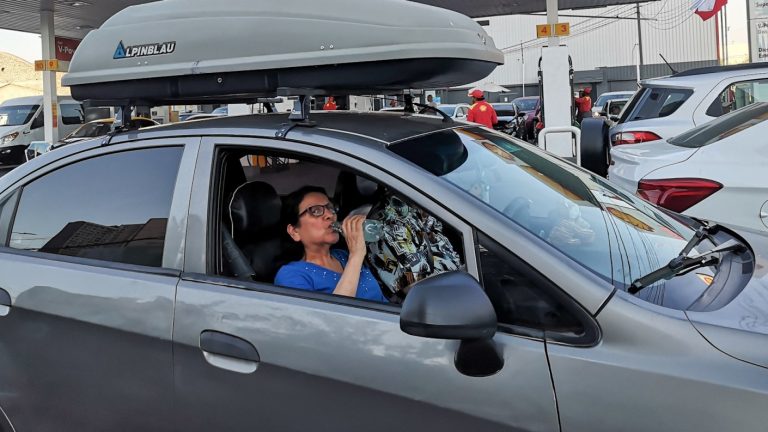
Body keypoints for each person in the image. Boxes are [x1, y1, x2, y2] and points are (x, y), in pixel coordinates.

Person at [274, 186, 388, 302]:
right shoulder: (290, 275)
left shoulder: (343, 255)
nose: (330, 215)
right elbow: (332, 317)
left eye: (331, 208)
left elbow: (396, 284)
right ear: (294, 232)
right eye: (316, 211)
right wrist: (356, 255)